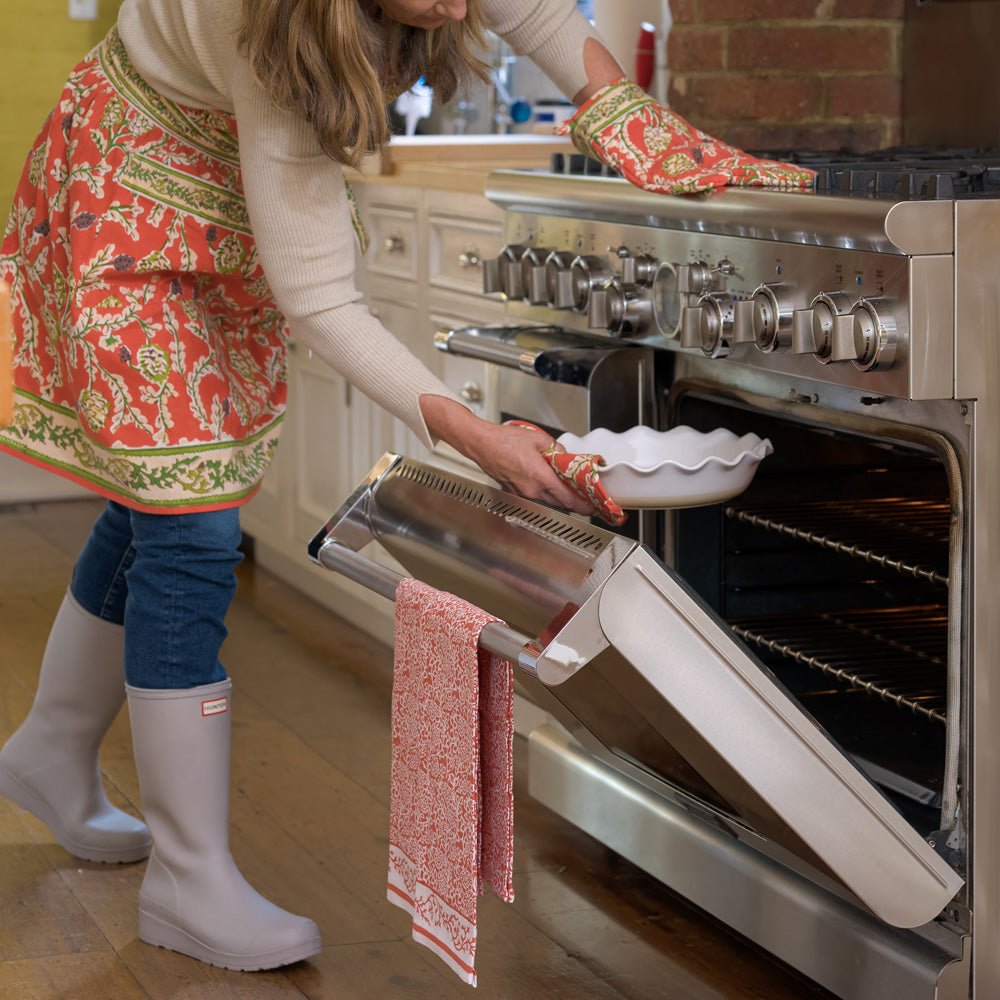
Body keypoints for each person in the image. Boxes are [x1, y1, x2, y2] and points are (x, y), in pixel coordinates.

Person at [0, 0, 812, 975]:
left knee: (168, 487)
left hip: (223, 167)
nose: (462, 9)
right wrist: (479, 437)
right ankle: (187, 872)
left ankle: (51, 747)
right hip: (131, 168)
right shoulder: (264, 26)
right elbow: (322, 300)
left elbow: (546, 18)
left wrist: (637, 123)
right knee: (190, 523)